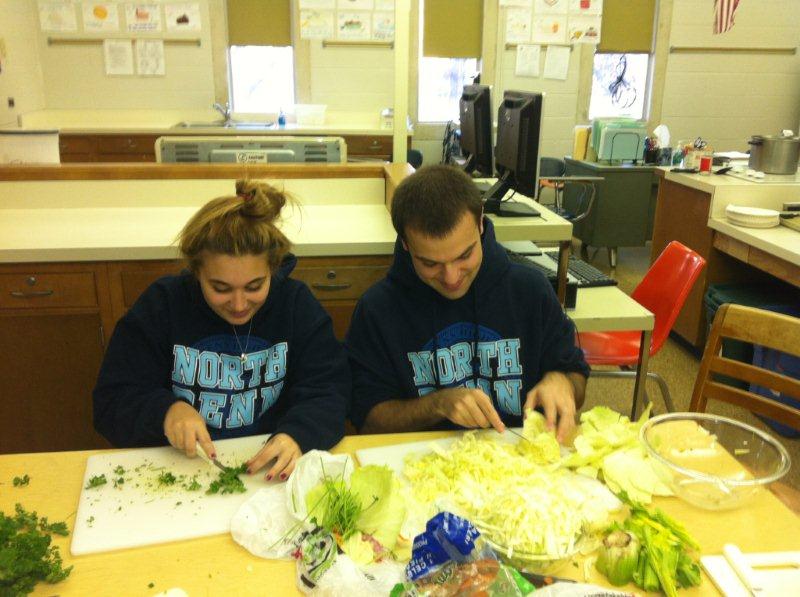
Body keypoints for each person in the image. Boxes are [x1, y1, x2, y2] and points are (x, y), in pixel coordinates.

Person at [94, 180, 349, 481]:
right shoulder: (162, 305)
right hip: (181, 471)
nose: (239, 304)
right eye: (220, 288)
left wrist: (298, 434)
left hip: (267, 471)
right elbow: (111, 402)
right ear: (196, 271)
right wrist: (166, 412)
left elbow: (331, 393)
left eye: (255, 286)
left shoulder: (296, 305)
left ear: (273, 268)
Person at [345, 165, 589, 442]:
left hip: (521, 464)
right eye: (430, 263)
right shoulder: (378, 310)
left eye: (465, 255)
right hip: (418, 467)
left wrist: (562, 380)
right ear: (405, 245)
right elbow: (367, 420)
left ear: (481, 224)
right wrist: (437, 404)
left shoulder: (530, 291)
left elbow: (577, 378)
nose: (451, 278)